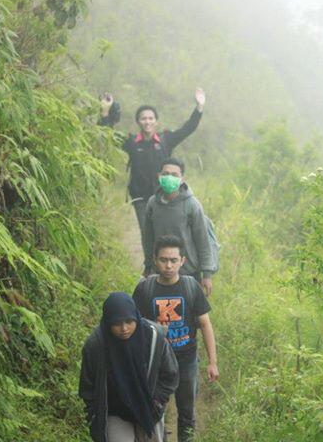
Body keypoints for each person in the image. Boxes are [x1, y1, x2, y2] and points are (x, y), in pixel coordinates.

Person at [133, 235, 219, 442]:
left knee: (187, 413)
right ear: (155, 260)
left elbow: (205, 324)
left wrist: (212, 362)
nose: (168, 265)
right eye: (163, 260)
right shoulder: (145, 289)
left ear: (182, 261)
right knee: (153, 409)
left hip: (186, 360)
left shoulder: (191, 287)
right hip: (155, 361)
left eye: (173, 260)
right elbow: (133, 328)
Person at [99, 89, 206, 233]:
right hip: (140, 198)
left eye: (151, 118)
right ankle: (149, 257)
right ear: (138, 121)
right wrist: (105, 111)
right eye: (143, 118)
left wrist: (199, 107)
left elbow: (188, 128)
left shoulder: (166, 140)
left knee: (165, 233)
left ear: (156, 121)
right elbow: (108, 135)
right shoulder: (132, 142)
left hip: (163, 195)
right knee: (147, 234)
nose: (147, 121)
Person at [79, 292, 179, 442]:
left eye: (129, 321)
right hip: (115, 412)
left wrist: (157, 400)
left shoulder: (153, 337)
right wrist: (94, 413)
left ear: (136, 317)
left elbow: (170, 373)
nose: (124, 328)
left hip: (149, 408)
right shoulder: (96, 346)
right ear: (107, 322)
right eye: (117, 324)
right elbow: (88, 385)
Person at [141, 157, 214, 296]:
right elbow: (148, 238)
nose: (169, 177)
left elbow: (202, 241)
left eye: (174, 175)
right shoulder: (152, 204)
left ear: (182, 178)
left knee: (191, 314)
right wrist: (148, 265)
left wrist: (207, 275)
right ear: (159, 176)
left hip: (188, 272)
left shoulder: (192, 204)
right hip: (160, 271)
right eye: (165, 174)